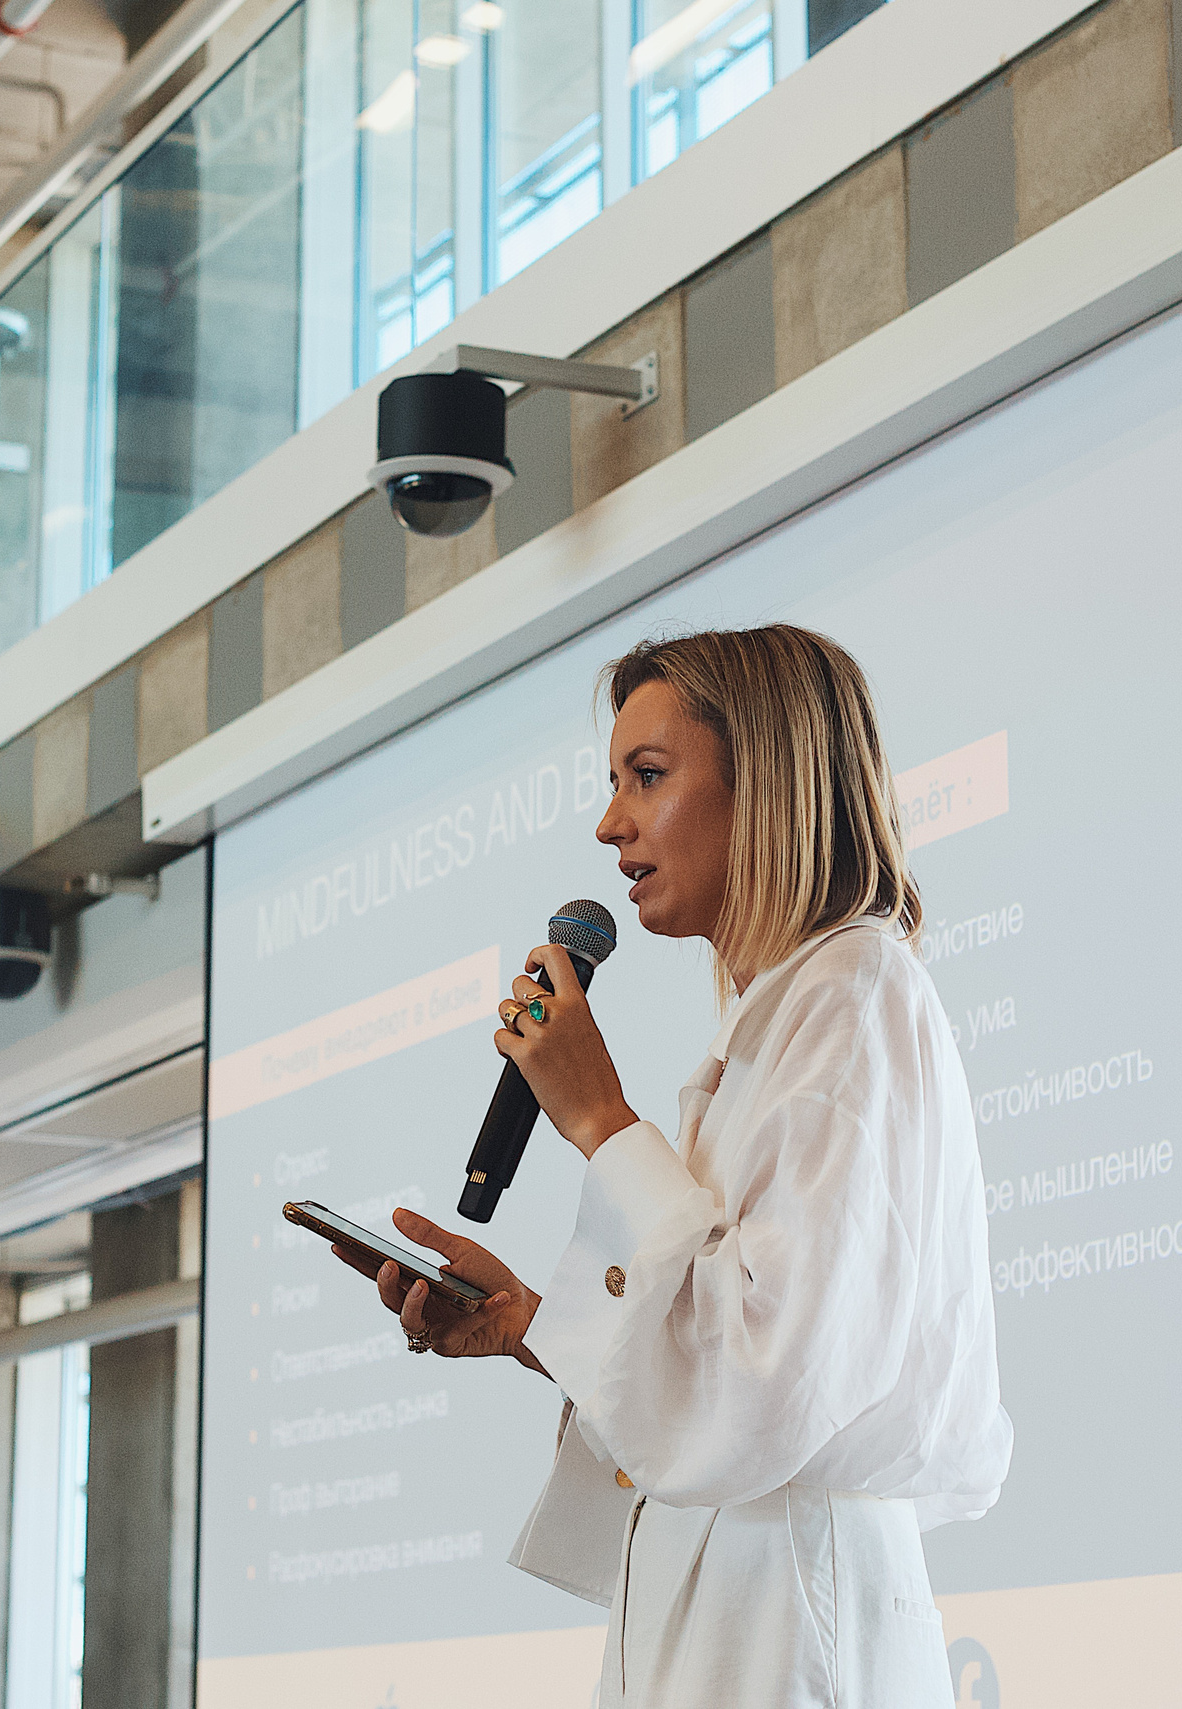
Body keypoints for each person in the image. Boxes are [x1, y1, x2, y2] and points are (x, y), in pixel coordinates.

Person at [330, 624, 1011, 1709]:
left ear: (768, 780)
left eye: (647, 775)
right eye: (614, 784)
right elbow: (724, 1334)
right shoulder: (775, 1018)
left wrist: (601, 1117)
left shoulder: (855, 993)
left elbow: (775, 1369)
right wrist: (533, 1327)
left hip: (790, 1606)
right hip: (729, 1595)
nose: (611, 824)